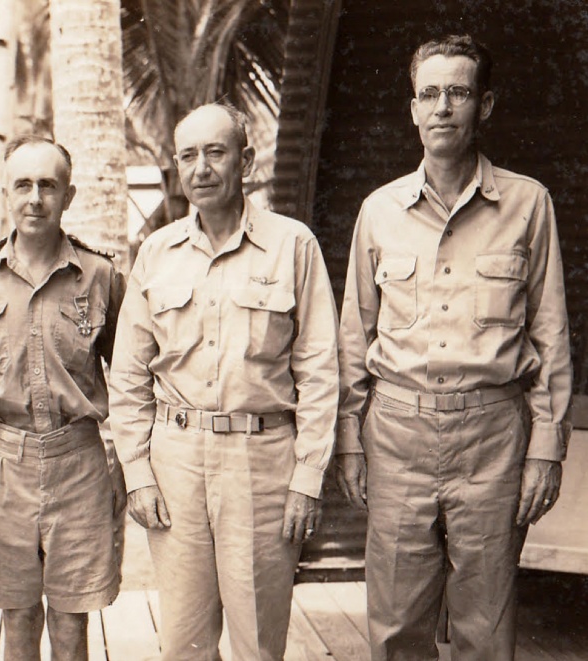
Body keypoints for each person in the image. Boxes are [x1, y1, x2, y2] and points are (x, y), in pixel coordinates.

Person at [335, 35, 572, 660]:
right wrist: (349, 440)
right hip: (397, 433)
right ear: (412, 109)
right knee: (395, 625)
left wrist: (545, 449)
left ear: (484, 105)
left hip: (493, 435)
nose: (443, 107)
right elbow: (354, 335)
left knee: (486, 627)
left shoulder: (528, 204)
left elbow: (551, 336)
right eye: (430, 94)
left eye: (459, 93)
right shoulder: (378, 210)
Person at [109, 103, 339, 660]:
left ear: (246, 159)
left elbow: (320, 370)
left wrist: (307, 478)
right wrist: (137, 474)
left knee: (258, 641)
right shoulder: (157, 253)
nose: (202, 168)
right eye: (188, 155)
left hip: (261, 463)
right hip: (176, 461)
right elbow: (128, 377)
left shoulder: (293, 245)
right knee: (184, 644)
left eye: (216, 152)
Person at [0, 135, 126, 660]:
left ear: (69, 194)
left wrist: (123, 461)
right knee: (17, 615)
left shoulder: (100, 275)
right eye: (23, 185)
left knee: (71, 621)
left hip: (78, 462)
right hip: (1, 462)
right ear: (5, 193)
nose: (35, 198)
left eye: (48, 185)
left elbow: (128, 375)